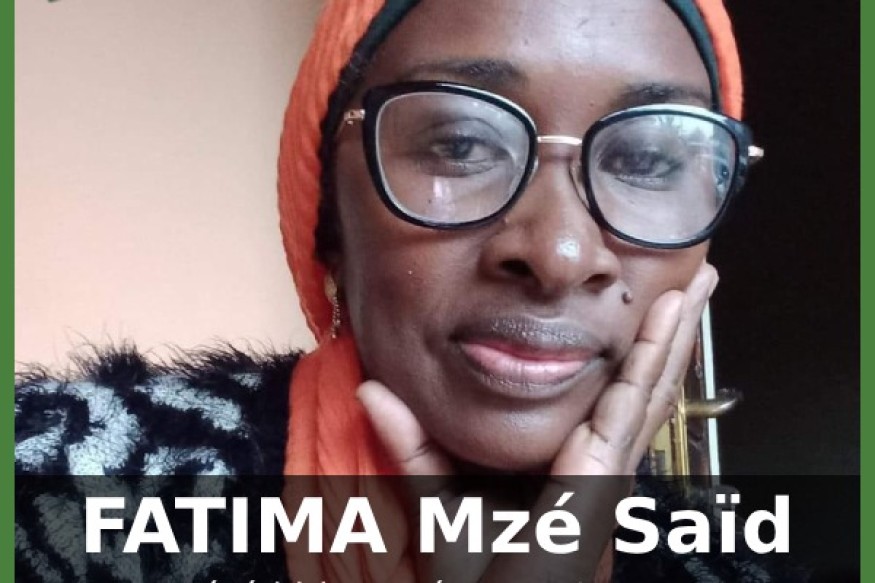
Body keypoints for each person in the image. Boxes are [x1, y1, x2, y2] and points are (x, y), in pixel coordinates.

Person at [16, 0, 791, 581]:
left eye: (648, 160)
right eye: (459, 143)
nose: (558, 254)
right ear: (327, 218)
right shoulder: (59, 497)